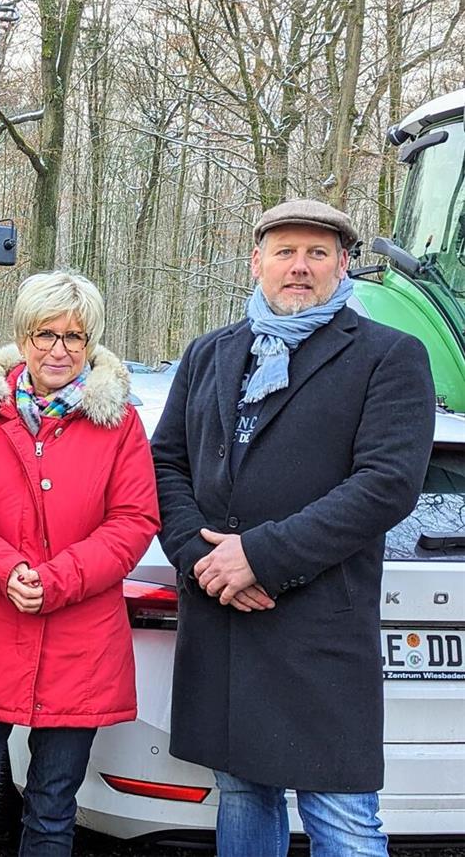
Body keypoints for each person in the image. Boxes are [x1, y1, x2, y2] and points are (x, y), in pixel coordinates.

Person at [152, 199, 435, 856]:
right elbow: (166, 462)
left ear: (343, 264)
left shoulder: (387, 356)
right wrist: (202, 557)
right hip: (226, 623)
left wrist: (261, 555)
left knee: (342, 816)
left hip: (317, 624)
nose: (299, 266)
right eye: (284, 251)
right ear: (257, 262)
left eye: (316, 252)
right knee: (245, 795)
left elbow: (386, 483)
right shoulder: (209, 353)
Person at [0, 271, 160, 856]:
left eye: (74, 337)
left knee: (52, 812)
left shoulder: (120, 424)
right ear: (23, 337)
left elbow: (133, 521)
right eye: (45, 334)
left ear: (91, 343)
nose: (59, 349)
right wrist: (5, 570)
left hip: (80, 639)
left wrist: (55, 580)